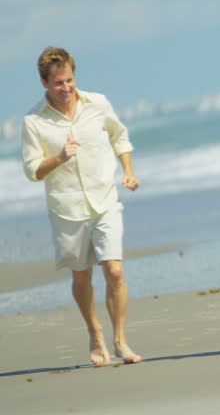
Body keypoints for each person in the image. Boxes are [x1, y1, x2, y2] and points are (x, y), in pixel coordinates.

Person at [21, 47, 143, 365]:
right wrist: (60, 157)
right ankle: (95, 332)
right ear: (44, 82)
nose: (66, 88)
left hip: (105, 199)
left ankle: (120, 340)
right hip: (67, 209)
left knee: (115, 271)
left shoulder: (97, 104)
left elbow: (120, 136)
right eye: (59, 83)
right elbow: (33, 170)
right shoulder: (34, 121)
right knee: (81, 279)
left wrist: (128, 171)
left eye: (70, 80)